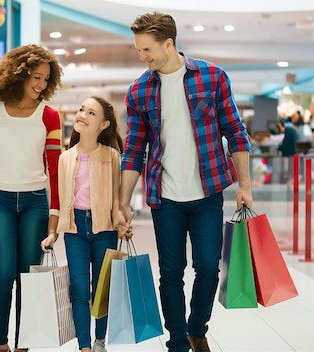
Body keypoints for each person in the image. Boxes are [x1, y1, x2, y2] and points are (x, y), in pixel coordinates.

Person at [119, 12, 252, 352]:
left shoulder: (212, 77)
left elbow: (235, 132)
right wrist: (122, 202)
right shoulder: (139, 90)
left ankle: (196, 327)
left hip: (207, 192)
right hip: (165, 198)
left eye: (146, 49)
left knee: (208, 267)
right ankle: (177, 341)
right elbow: (134, 150)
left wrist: (245, 186)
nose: (141, 56)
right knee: (171, 272)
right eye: (138, 50)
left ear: (168, 43)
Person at [0, 44, 63, 352]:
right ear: (18, 74)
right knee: (3, 274)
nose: (41, 84)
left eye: (47, 79)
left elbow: (56, 169)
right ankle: (2, 343)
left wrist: (55, 216)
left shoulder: (50, 116)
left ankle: (24, 344)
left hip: (35, 203)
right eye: (36, 76)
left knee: (27, 276)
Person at [48, 96, 130, 352]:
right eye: (82, 109)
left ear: (104, 125)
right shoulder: (65, 158)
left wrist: (121, 222)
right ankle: (84, 345)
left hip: (104, 228)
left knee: (102, 288)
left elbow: (117, 201)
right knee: (79, 290)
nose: (82, 114)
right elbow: (59, 199)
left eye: (91, 113)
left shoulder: (113, 156)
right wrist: (52, 232)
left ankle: (100, 341)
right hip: (75, 231)